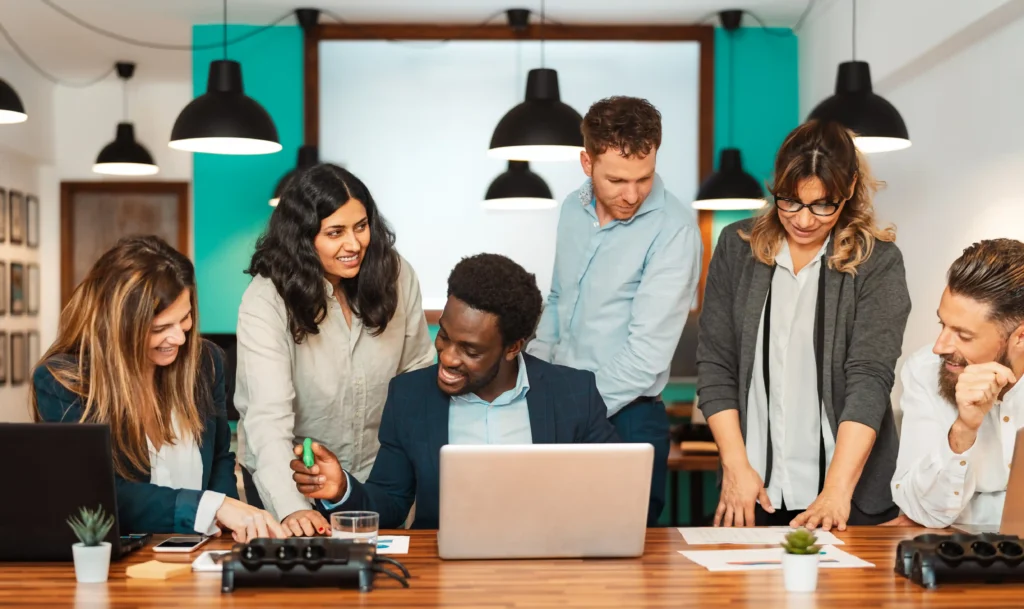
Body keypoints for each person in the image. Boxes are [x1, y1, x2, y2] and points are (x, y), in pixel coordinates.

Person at [289, 254, 620, 529]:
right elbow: (390, 502)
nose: (446, 357)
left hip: (553, 571)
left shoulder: (574, 394)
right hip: (443, 576)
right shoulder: (410, 396)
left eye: (470, 350)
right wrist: (342, 489)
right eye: (445, 336)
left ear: (513, 347)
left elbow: (614, 493)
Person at [697, 119, 911, 530]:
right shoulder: (735, 249)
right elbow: (716, 365)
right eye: (790, 201)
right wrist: (736, 466)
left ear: (848, 191)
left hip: (846, 497)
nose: (804, 220)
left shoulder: (877, 263)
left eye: (822, 204)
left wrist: (836, 491)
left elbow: (869, 378)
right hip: (753, 491)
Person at [33, 236, 285, 540]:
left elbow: (219, 457)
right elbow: (98, 496)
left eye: (185, 317)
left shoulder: (207, 362)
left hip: (202, 554)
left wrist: (228, 518)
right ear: (118, 326)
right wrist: (211, 507)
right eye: (160, 328)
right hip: (120, 566)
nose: (179, 338)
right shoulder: (64, 381)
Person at [528, 96, 702, 526]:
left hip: (625, 418)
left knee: (622, 570)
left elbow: (646, 359)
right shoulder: (572, 208)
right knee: (547, 546)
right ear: (587, 163)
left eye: (644, 178)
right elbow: (557, 301)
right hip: (559, 407)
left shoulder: (674, 231)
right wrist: (529, 385)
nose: (632, 195)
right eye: (617, 180)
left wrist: (566, 412)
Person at [235, 164, 435, 537]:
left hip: (380, 484)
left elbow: (417, 378)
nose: (354, 244)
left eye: (361, 226)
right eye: (335, 232)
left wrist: (413, 475)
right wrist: (292, 508)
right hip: (294, 483)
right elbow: (267, 418)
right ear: (302, 237)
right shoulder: (267, 298)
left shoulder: (396, 274)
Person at [892, 239, 1024, 528]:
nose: (940, 347)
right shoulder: (924, 370)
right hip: (955, 554)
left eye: (963, 335)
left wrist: (979, 508)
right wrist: (964, 429)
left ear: (1020, 338)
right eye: (942, 325)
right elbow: (921, 510)